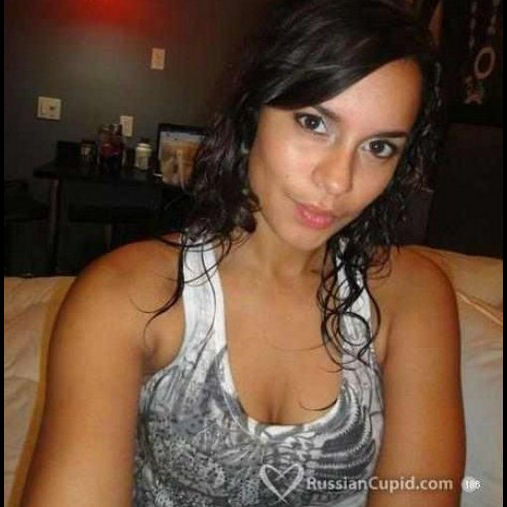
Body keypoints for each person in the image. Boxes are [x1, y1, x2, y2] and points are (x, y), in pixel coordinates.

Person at [21, 0, 465, 505]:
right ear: (253, 111)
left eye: (379, 147)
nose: (338, 181)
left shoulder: (413, 296)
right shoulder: (124, 296)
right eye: (314, 123)